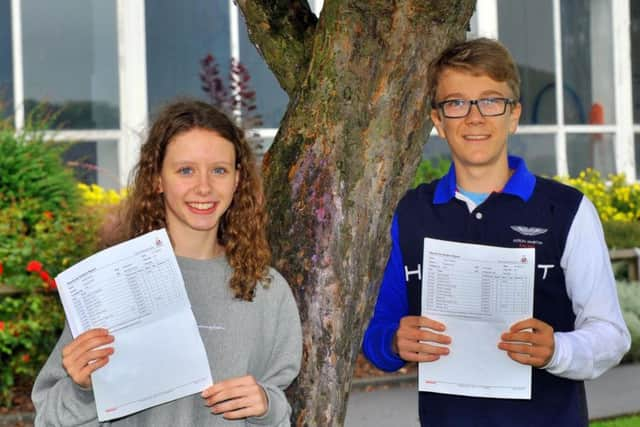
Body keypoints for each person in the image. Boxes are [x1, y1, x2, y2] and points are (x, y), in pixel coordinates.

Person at [362, 38, 631, 427]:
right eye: (456, 103)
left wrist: (557, 349)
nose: (474, 118)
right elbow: (378, 332)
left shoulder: (567, 211)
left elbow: (611, 335)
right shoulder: (411, 213)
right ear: (438, 120)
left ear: (514, 115)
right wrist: (393, 342)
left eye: (491, 101)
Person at [32, 99, 302, 426]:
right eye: (185, 170)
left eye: (219, 170)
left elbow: (278, 415)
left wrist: (266, 407)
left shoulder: (266, 291)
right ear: (158, 178)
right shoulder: (110, 283)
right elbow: (48, 418)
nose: (204, 187)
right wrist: (83, 389)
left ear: (237, 179)